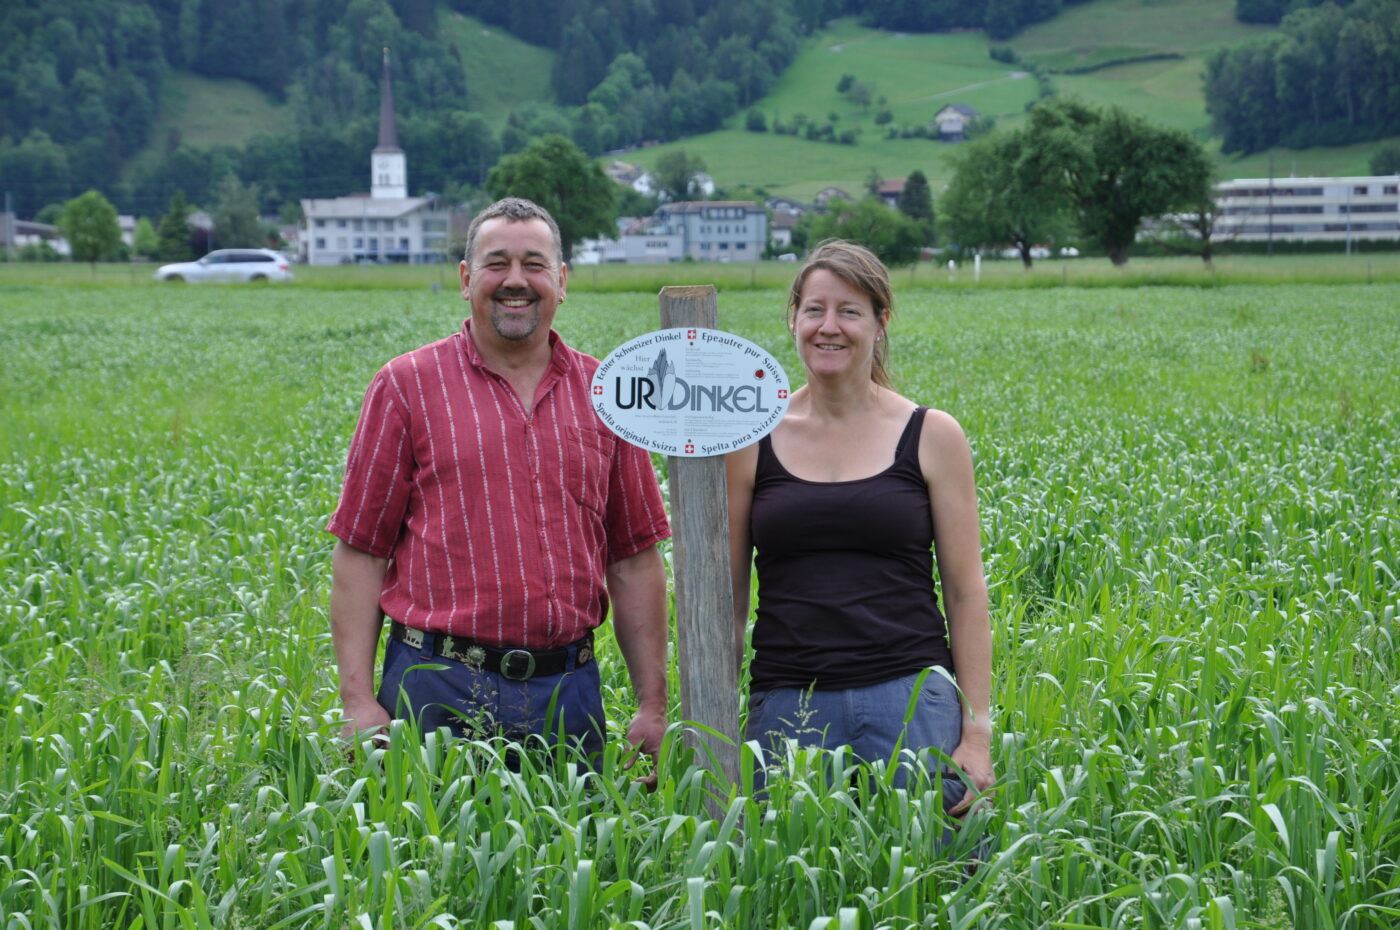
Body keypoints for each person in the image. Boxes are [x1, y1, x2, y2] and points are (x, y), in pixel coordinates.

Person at [327, 197, 671, 773]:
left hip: (568, 693)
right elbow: (361, 552)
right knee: (425, 859)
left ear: (562, 281)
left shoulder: (609, 392)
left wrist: (653, 705)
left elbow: (634, 560)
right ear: (466, 279)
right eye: (497, 264)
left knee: (575, 858)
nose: (516, 281)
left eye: (534, 264)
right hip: (435, 688)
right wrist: (358, 701)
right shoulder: (407, 385)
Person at [725, 240, 994, 814]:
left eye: (850, 311)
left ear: (880, 323)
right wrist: (715, 718)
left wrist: (976, 734)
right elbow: (727, 599)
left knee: (934, 882)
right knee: (789, 890)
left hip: (912, 701)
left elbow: (967, 593)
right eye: (815, 309)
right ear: (793, 319)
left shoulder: (932, 434)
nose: (830, 327)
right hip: (788, 702)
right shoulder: (749, 439)